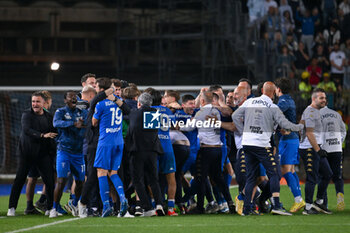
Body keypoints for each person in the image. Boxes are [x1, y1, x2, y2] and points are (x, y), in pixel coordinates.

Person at [232, 82, 304, 216]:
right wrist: (299, 127)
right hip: (261, 145)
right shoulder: (272, 106)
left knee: (251, 177)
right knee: (274, 174)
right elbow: (285, 123)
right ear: (273, 92)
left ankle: (247, 209)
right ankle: (277, 205)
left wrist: (244, 132)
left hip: (247, 144)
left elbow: (235, 116)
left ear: (262, 91)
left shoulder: (250, 102)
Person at [183, 91, 235, 214]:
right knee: (218, 178)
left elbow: (189, 127)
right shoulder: (216, 111)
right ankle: (230, 203)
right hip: (217, 149)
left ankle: (200, 207)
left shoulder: (201, 113)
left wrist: (177, 126)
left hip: (206, 149)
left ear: (202, 101)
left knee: (201, 178)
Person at [7, 91, 57, 217]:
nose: (35, 104)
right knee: (19, 180)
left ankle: (50, 209)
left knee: (50, 181)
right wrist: (42, 135)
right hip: (27, 154)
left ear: (44, 103)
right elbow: (27, 130)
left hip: (42, 154)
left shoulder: (49, 116)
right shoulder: (26, 114)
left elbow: (54, 131)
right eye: (33, 101)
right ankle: (11, 207)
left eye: (37, 101)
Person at [92, 78, 131, 217]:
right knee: (113, 173)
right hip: (119, 141)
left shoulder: (100, 104)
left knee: (101, 172)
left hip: (105, 142)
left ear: (101, 89)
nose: (95, 89)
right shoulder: (119, 102)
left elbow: (94, 122)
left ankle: (106, 206)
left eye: (96, 86)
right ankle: (122, 198)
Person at [78, 78, 115, 218]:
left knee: (112, 175)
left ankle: (106, 207)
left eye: (97, 86)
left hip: (108, 143)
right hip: (95, 145)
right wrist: (110, 90)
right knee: (93, 175)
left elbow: (127, 110)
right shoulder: (94, 103)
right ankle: (82, 203)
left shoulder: (107, 103)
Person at [50, 91, 88, 218]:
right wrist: (73, 124)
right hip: (64, 151)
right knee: (61, 181)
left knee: (81, 182)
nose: (74, 98)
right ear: (65, 100)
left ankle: (75, 204)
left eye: (75, 97)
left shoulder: (82, 112)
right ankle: (54, 208)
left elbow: (89, 123)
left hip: (78, 153)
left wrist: (84, 124)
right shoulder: (60, 112)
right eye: (70, 97)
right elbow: (56, 123)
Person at [126, 92, 165, 217]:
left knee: (138, 181)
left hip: (137, 152)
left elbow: (125, 109)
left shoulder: (134, 113)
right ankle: (159, 205)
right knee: (154, 180)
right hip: (152, 152)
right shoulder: (156, 114)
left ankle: (147, 208)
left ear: (139, 103)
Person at [299, 88, 333, 215]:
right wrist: (318, 150)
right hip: (310, 148)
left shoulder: (313, 111)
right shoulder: (311, 112)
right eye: (321, 98)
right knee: (312, 178)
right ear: (314, 99)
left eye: (325, 98)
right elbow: (309, 133)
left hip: (314, 147)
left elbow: (301, 125)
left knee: (328, 174)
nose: (324, 100)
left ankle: (318, 202)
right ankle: (307, 208)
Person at [145, 88, 178, 216]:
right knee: (171, 178)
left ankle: (155, 205)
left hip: (154, 147)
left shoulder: (150, 111)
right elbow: (174, 126)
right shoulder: (168, 111)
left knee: (152, 178)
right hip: (168, 148)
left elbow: (147, 130)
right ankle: (170, 208)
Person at [275, 78, 305, 213]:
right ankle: (299, 200)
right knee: (291, 170)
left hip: (288, 139)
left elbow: (273, 113)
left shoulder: (283, 102)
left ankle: (298, 200)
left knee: (285, 170)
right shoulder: (290, 99)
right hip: (291, 138)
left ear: (278, 89)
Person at [26, 91, 55, 214]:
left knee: (33, 178)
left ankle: (31, 205)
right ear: (47, 102)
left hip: (37, 151)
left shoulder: (41, 115)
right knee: (49, 178)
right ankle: (42, 202)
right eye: (34, 101)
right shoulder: (34, 115)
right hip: (40, 151)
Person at [320, 105, 347, 211]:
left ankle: (324, 204)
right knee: (338, 177)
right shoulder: (336, 114)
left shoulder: (318, 115)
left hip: (324, 149)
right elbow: (343, 130)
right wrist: (339, 142)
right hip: (337, 148)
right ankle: (340, 197)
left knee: (324, 176)